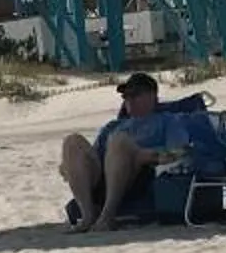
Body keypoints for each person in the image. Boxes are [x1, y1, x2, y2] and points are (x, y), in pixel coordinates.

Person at [60, 71, 175, 233]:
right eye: (126, 97)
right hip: (104, 175)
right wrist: (71, 164)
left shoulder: (168, 121)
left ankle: (107, 217)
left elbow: (178, 151)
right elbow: (93, 156)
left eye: (135, 95)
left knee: (120, 141)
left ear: (152, 96)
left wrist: (146, 155)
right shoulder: (113, 126)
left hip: (137, 176)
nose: (129, 101)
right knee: (72, 141)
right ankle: (87, 216)